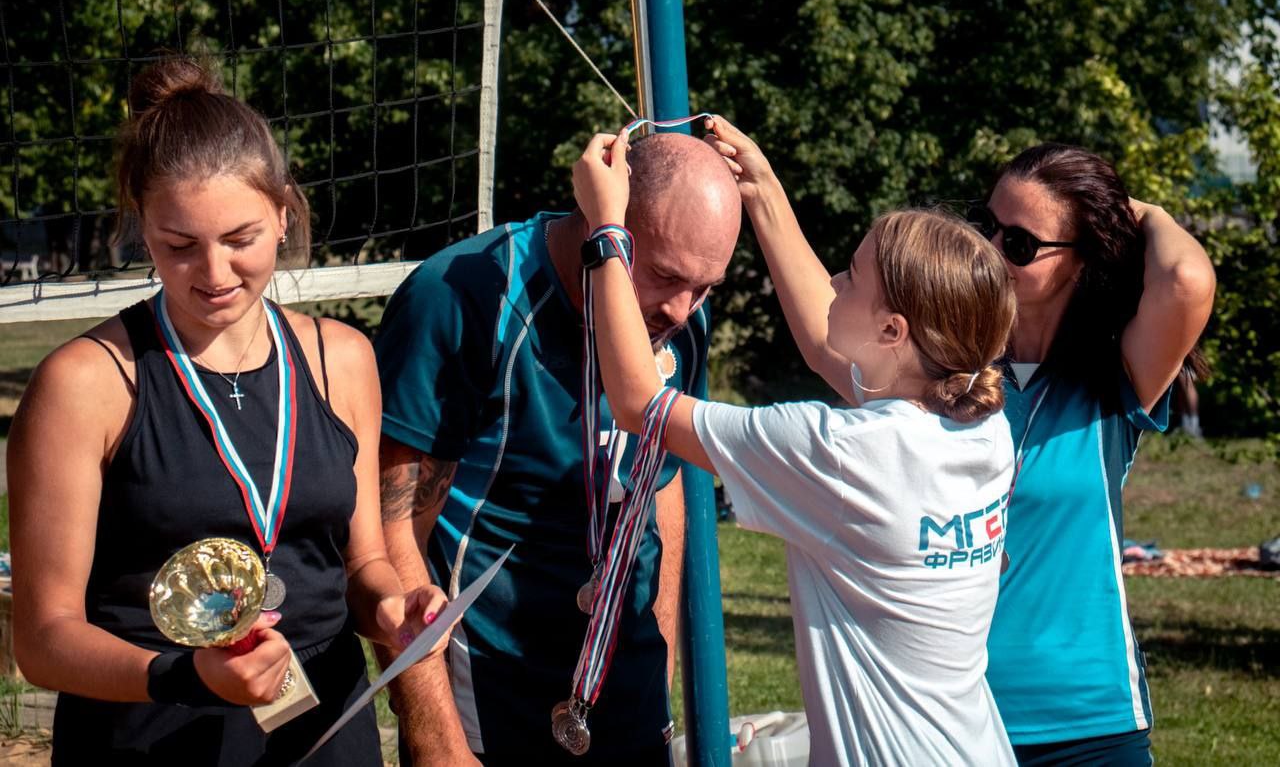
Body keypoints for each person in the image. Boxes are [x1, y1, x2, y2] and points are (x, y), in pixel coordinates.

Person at [7, 56, 445, 766]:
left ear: (282, 212)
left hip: (323, 731)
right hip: (150, 733)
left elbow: (363, 561)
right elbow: (43, 638)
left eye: (240, 240)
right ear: (141, 227)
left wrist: (396, 609)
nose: (213, 274)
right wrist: (185, 674)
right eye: (179, 246)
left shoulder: (343, 359)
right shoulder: (85, 382)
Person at [573, 120, 1021, 766]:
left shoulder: (840, 452)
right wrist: (763, 190)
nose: (834, 281)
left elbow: (639, 402)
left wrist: (607, 229)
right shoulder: (979, 421)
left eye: (853, 275)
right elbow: (822, 337)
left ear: (893, 331)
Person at [374, 130, 741, 765]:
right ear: (606, 222)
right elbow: (389, 529)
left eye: (705, 286)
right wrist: (436, 741)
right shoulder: (464, 296)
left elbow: (662, 488)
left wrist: (659, 671)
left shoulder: (681, 324)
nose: (683, 309)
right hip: (489, 704)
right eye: (662, 275)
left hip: (623, 696)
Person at [971, 144, 1215, 765]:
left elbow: (1186, 283)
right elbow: (826, 325)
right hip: (956, 718)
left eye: (1020, 244)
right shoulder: (950, 367)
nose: (992, 250)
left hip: (1093, 725)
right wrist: (760, 189)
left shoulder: (1114, 375)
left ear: (1080, 262)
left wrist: (1142, 212)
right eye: (986, 225)